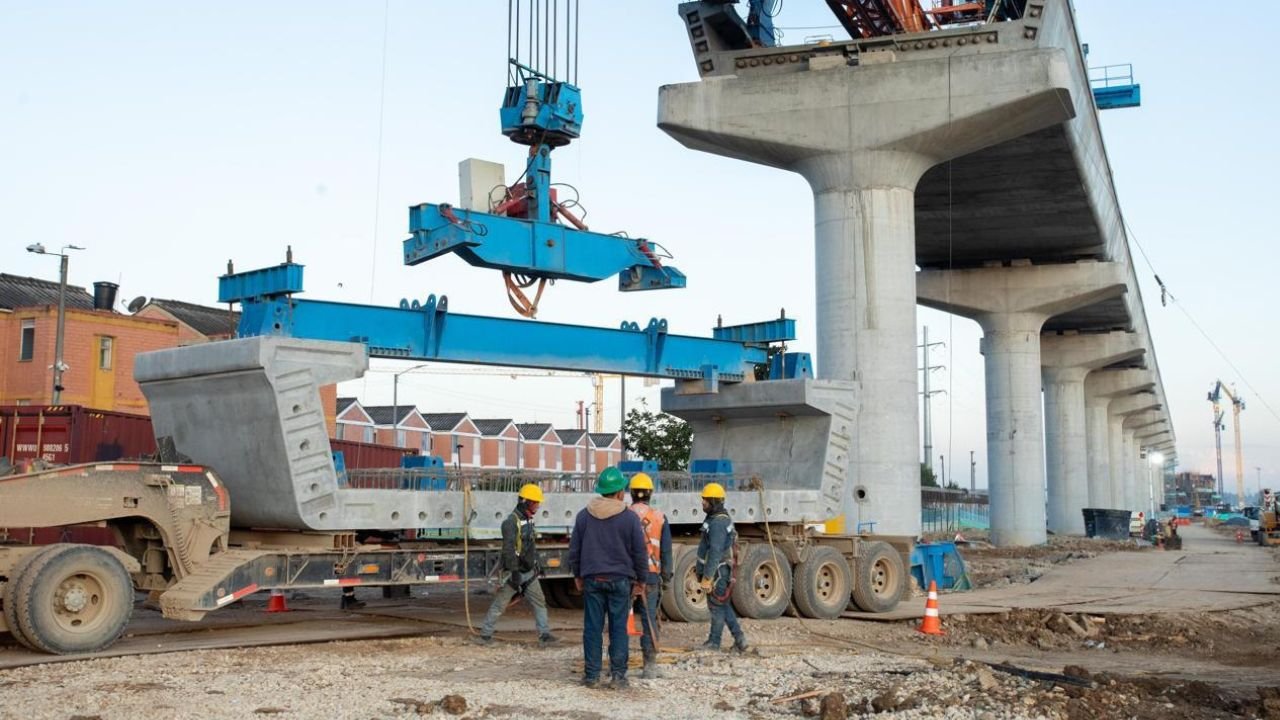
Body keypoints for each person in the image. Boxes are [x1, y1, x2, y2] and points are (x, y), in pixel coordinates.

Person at [568, 466, 648, 689]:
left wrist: (577, 575)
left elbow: (574, 549)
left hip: (593, 579)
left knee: (592, 628)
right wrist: (641, 580)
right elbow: (639, 553)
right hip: (620, 580)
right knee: (618, 628)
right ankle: (618, 677)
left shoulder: (584, 516)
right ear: (620, 492)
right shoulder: (629, 518)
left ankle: (592, 676)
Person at [475, 483, 557, 646]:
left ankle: (544, 635)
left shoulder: (528, 520)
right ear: (525, 502)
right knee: (500, 604)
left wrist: (537, 564)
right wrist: (513, 573)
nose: (538, 506)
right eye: (535, 503)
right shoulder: (510, 523)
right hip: (515, 573)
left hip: (528, 572)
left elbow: (530, 546)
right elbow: (508, 550)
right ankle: (485, 635)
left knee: (539, 602)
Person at [627, 472, 672, 679]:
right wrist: (667, 576)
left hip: (626, 574)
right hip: (651, 574)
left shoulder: (623, 515)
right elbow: (666, 551)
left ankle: (619, 665)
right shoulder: (659, 517)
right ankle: (649, 666)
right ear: (650, 494)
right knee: (648, 619)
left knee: (620, 618)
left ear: (631, 493)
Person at [695, 482, 747, 653]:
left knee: (716, 606)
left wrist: (708, 577)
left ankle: (714, 642)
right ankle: (740, 639)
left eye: (705, 501)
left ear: (714, 502)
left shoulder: (717, 523)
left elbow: (715, 552)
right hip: (719, 570)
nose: (702, 504)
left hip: (717, 572)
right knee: (723, 605)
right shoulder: (716, 518)